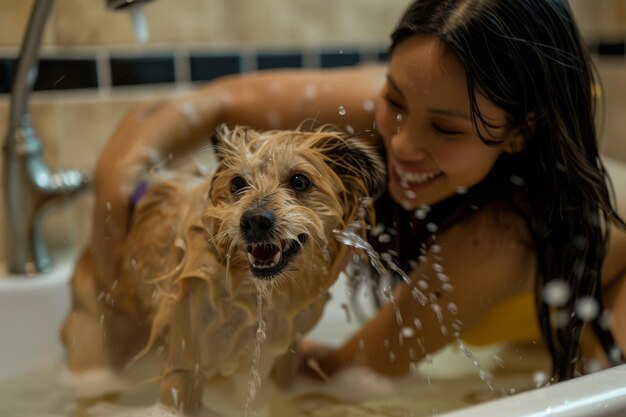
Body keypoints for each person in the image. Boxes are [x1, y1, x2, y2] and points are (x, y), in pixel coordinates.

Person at [90, 0, 626, 383]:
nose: (402, 144)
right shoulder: (408, 101)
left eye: (445, 129)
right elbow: (209, 105)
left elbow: (353, 370)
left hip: (605, 312)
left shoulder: (500, 238)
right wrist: (116, 179)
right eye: (393, 101)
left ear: (520, 132)